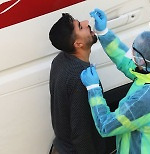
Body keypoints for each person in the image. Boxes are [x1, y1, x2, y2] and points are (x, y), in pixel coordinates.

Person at [80, 8, 150, 154]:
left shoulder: (143, 100)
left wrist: (93, 89)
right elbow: (126, 61)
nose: (131, 54)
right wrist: (104, 33)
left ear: (141, 60)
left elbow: (105, 125)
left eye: (134, 52)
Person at [48, 13, 113, 154]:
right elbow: (81, 132)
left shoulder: (59, 60)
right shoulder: (81, 79)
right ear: (78, 44)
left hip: (61, 146)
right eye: (80, 26)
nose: (86, 23)